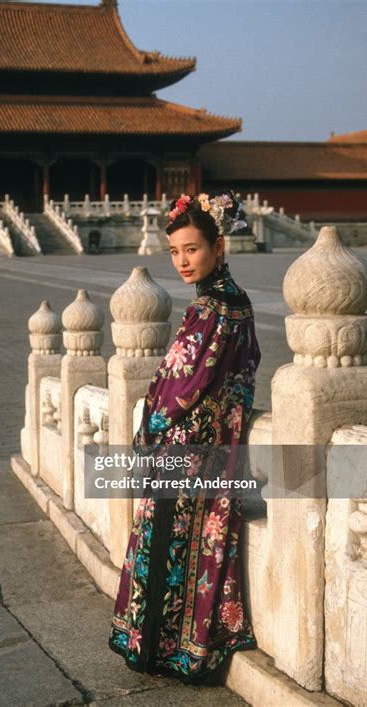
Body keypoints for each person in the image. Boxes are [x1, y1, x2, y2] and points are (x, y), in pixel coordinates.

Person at [108, 190, 262, 685]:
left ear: (219, 247)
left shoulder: (209, 309)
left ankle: (157, 647)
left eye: (192, 249)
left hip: (184, 447)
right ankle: (191, 646)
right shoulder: (238, 303)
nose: (182, 262)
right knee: (199, 544)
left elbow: (178, 385)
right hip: (219, 444)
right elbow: (249, 365)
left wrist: (147, 432)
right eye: (174, 252)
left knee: (167, 540)